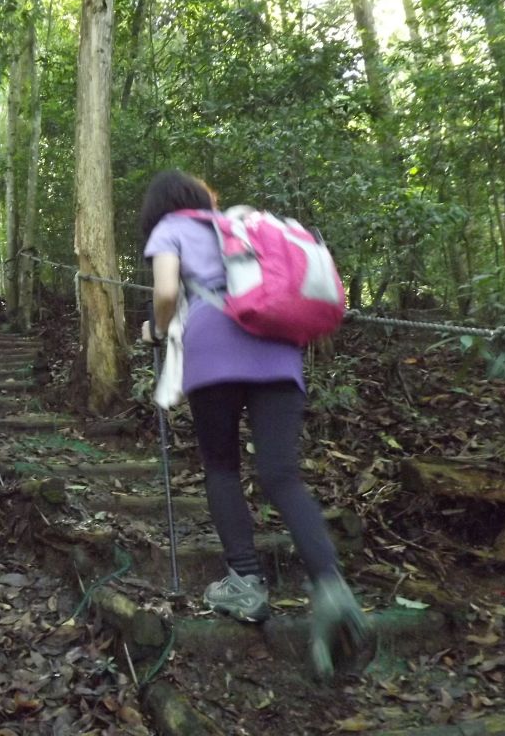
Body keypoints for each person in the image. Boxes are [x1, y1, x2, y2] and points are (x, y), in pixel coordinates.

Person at [139, 169, 372, 680]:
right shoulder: (239, 226)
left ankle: (246, 582)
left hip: (214, 354)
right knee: (281, 474)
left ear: (158, 206)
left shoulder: (170, 229)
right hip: (279, 353)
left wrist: (157, 330)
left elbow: (165, 292)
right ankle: (330, 584)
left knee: (221, 466)